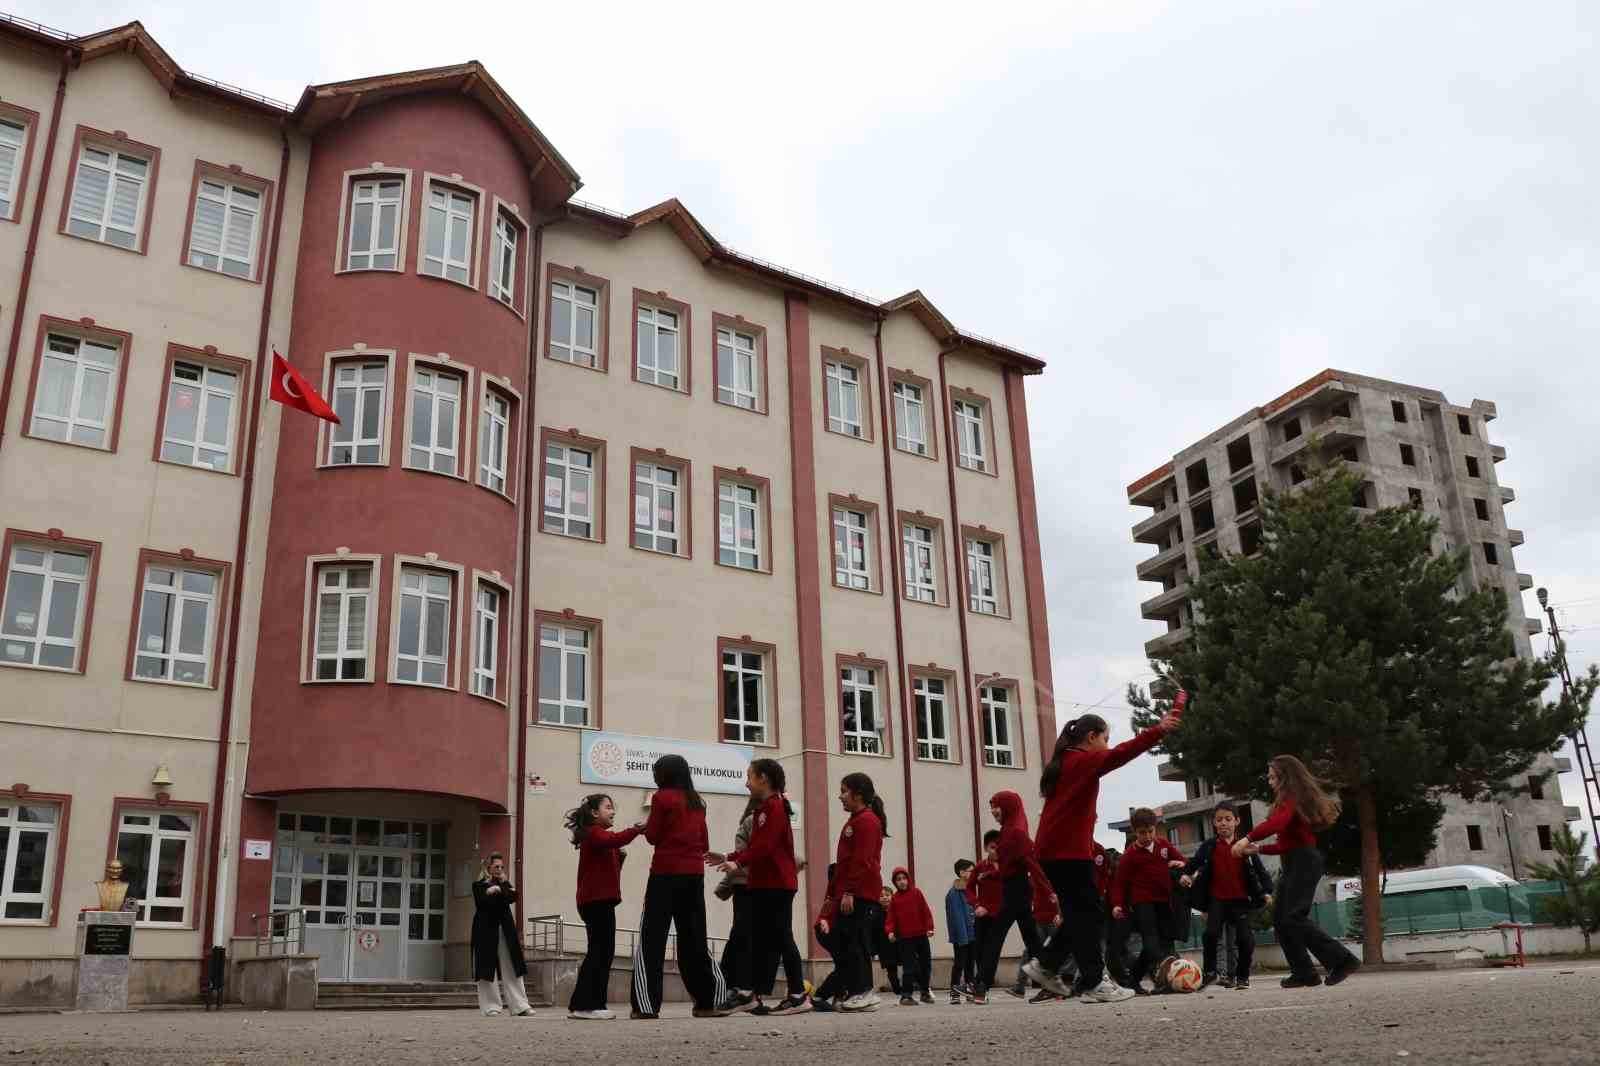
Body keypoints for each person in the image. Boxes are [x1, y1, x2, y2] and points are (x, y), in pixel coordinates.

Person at [1031, 693, 1186, 1004]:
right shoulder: (1082, 760)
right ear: (1092, 738)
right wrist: (1158, 730)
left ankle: (1048, 966)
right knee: (1087, 914)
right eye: (1105, 738)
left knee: (1081, 914)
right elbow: (1121, 754)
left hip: (1054, 851)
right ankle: (1090, 981)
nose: (1107, 744)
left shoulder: (1064, 763)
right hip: (1067, 853)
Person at [1234, 755, 1360, 989]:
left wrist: (1247, 838)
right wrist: (1258, 848)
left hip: (1305, 860)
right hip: (1294, 860)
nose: (1269, 781)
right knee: (1281, 919)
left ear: (1285, 777)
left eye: (1272, 777)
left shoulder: (1291, 798)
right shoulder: (1286, 801)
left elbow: (1276, 825)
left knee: (1293, 916)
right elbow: (1285, 844)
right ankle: (1304, 973)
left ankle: (1343, 960)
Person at [631, 754, 731, 1019]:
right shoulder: (697, 800)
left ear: (665, 774)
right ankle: (708, 1002)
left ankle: (646, 1006)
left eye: (656, 772)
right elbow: (705, 842)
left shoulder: (661, 797)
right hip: (693, 876)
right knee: (694, 939)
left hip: (664, 874)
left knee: (652, 939)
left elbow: (653, 836)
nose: (654, 776)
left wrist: (644, 828)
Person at [709, 758, 810, 1015]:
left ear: (763, 778)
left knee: (781, 937)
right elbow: (757, 846)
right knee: (756, 937)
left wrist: (739, 862)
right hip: (767, 883)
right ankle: (747, 992)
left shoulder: (773, 808)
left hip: (776, 884)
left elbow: (765, 847)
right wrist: (729, 858)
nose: (746, 783)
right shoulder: (765, 809)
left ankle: (796, 995)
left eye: (749, 777)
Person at [972, 790, 1063, 1005]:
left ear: (1009, 807)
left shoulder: (1016, 832)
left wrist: (1049, 891)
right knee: (1032, 941)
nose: (993, 811)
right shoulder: (1009, 830)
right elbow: (1011, 866)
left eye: (997, 806)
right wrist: (992, 872)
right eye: (991, 807)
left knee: (995, 937)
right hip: (1016, 889)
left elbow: (1031, 863)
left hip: (1016, 891)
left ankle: (981, 986)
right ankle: (1052, 986)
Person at [1178, 801, 1272, 990]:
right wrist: (1185, 874)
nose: (1223, 823)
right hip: (1217, 900)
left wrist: (1267, 891)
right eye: (1219, 820)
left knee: (1245, 940)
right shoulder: (1209, 846)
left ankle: (1242, 977)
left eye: (1228, 819)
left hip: (1240, 901)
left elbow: (1261, 873)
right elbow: (1194, 863)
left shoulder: (1245, 847)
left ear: (1236, 821)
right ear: (1214, 823)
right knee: (1210, 935)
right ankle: (1210, 972)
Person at [566, 794, 644, 1019]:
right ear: (594, 813)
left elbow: (609, 872)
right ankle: (590, 1005)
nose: (613, 811)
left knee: (599, 952)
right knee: (601, 953)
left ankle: (581, 1004)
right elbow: (614, 840)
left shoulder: (598, 837)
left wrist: (620, 858)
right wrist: (636, 830)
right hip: (596, 901)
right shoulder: (594, 833)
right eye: (608, 807)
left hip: (598, 900)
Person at [1109, 808, 1187, 993]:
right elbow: (1119, 883)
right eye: (1142, 832)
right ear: (1135, 832)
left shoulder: (1164, 846)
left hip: (1163, 901)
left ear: (1155, 828)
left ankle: (1133, 981)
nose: (1147, 836)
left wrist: (1181, 866)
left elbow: (1183, 861)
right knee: (1151, 942)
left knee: (1165, 940)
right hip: (1142, 902)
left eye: (1150, 831)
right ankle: (1162, 978)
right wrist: (1117, 904)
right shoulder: (1130, 855)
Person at [833, 772, 888, 1012]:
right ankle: (859, 991)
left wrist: (850, 891)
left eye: (844, 791)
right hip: (855, 891)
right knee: (850, 941)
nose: (840, 796)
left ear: (857, 794)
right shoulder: (857, 819)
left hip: (861, 892)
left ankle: (864, 991)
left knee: (856, 942)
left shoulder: (866, 820)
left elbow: (863, 860)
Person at [472, 852, 532, 1016]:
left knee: (512, 965)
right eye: (496, 866)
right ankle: (491, 1006)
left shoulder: (504, 884)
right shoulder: (478, 885)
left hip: (505, 929)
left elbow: (514, 896)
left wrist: (499, 888)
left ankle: (520, 1005)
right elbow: (483, 902)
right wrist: (500, 893)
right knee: (486, 967)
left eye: (502, 867)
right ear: (488, 867)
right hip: (485, 930)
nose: (499, 869)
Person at [714, 795, 760, 1003]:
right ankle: (738, 985)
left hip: (743, 883)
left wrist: (726, 858)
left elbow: (742, 853)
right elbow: (755, 852)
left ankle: (728, 982)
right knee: (745, 936)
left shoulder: (748, 820)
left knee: (739, 934)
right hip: (749, 883)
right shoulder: (755, 820)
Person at [885, 866, 936, 1005]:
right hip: (905, 939)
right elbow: (891, 918)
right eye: (898, 879)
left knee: (926, 965)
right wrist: (890, 931)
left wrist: (929, 927)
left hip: (921, 936)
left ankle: (925, 992)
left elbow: (925, 911)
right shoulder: (894, 899)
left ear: (908, 879)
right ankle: (906, 995)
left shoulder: (917, 893)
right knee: (909, 967)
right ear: (895, 882)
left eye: (904, 878)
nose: (902, 882)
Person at [965, 831, 1002, 999]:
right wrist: (977, 905)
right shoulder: (980, 867)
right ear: (987, 848)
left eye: (999, 847)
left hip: (1000, 915)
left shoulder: (1007, 867)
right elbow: (970, 888)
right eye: (993, 847)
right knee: (979, 951)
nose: (996, 851)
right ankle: (981, 984)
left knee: (992, 951)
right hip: (982, 915)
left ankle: (983, 985)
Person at [811, 863, 844, 1011]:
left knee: (843, 964)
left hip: (831, 929)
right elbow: (828, 906)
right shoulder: (838, 889)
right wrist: (824, 920)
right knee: (845, 965)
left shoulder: (839, 887)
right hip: (827, 929)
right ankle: (820, 996)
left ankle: (838, 996)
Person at [945, 860, 978, 1002]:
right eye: (971, 870)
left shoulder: (969, 889)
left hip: (972, 934)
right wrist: (963, 937)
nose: (973, 873)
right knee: (959, 963)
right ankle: (954, 992)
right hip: (961, 936)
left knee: (970, 963)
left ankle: (969, 990)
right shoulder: (954, 892)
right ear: (961, 872)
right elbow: (957, 917)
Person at [872, 886, 902, 996]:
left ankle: (921, 984)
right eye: (881, 896)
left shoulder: (897, 910)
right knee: (891, 968)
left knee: (910, 963)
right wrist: (874, 951)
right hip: (884, 946)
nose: (884, 898)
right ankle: (897, 988)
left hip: (898, 942)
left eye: (887, 895)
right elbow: (873, 933)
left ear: (892, 896)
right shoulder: (876, 913)